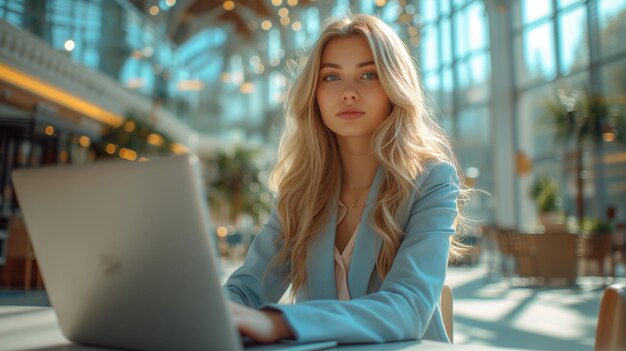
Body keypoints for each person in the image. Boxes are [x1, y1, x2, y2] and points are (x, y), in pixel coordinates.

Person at [225, 13, 466, 345]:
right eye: (331, 77)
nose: (349, 92)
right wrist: (210, 312)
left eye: (368, 74)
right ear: (315, 94)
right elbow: (248, 287)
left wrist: (279, 323)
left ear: (394, 87)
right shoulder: (299, 191)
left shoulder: (432, 181)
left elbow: (408, 309)